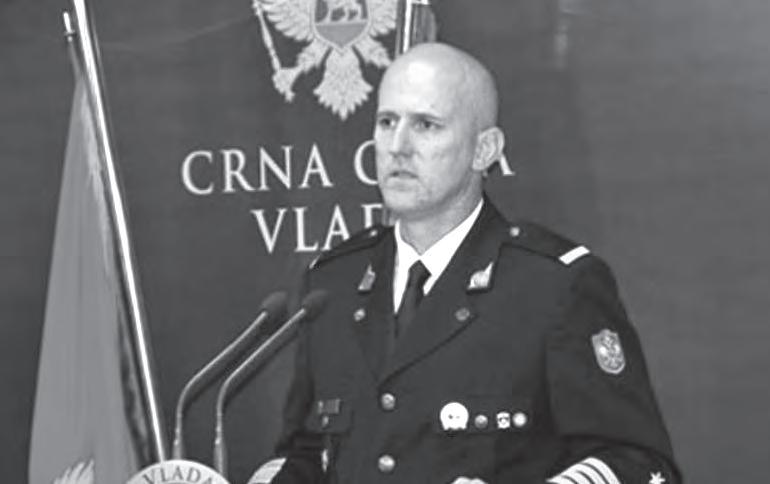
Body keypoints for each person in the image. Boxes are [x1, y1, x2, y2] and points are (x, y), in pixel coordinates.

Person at [250, 42, 680, 484]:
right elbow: (307, 456)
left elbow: (638, 465)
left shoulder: (552, 286)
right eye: (387, 122)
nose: (398, 146)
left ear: (484, 149)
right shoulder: (332, 286)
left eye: (426, 125)